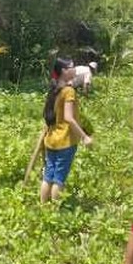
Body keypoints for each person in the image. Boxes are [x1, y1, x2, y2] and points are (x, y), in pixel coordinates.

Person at [40, 58, 93, 202]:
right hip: (65, 141)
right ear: (64, 71)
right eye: (71, 67)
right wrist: (85, 137)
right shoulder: (68, 91)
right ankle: (54, 213)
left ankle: (43, 208)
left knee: (48, 177)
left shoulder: (55, 88)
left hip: (51, 139)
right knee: (59, 179)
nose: (75, 69)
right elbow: (69, 118)